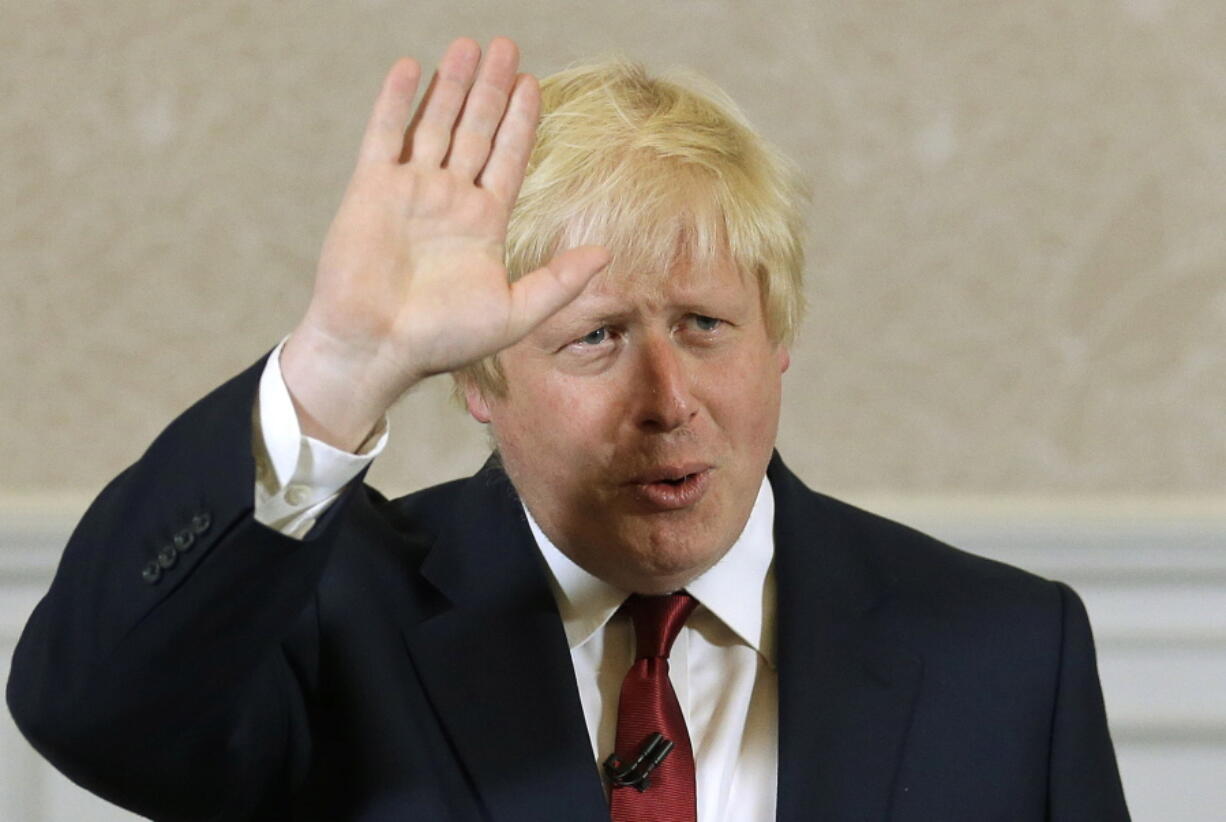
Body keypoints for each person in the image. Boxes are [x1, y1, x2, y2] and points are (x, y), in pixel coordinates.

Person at [7, 36, 1129, 821]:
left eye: (703, 324)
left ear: (778, 334)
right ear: (475, 380)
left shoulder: (1004, 653)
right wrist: (338, 367)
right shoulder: (333, 623)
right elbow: (91, 712)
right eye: (592, 337)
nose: (666, 399)